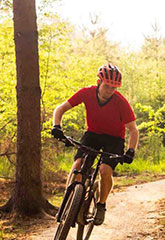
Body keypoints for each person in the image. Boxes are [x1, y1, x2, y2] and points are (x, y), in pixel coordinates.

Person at [51, 64, 139, 225]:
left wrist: (131, 150)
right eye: (107, 86)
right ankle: (69, 199)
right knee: (78, 164)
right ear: (99, 82)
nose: (110, 90)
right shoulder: (86, 93)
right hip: (92, 135)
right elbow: (60, 108)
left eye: (114, 88)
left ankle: (101, 205)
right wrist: (56, 126)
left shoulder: (121, 102)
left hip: (114, 139)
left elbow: (133, 130)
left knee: (105, 170)